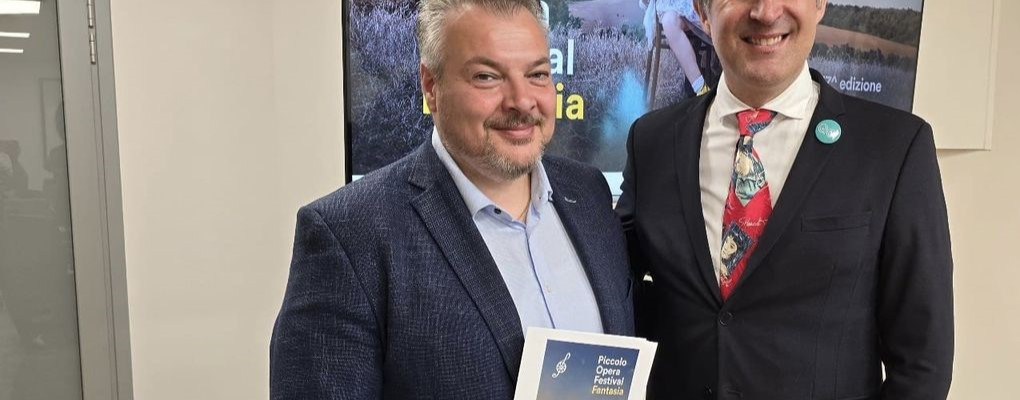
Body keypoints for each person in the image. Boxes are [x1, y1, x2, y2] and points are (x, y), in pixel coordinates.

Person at [269, 0, 633, 397]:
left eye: (537, 74)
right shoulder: (349, 236)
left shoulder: (590, 195)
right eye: (487, 77)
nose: (522, 101)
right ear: (431, 86)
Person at [616, 0, 955, 395]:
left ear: (820, 4)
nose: (764, 12)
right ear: (703, 12)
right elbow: (611, 289)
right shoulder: (651, 142)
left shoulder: (893, 147)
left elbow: (923, 364)